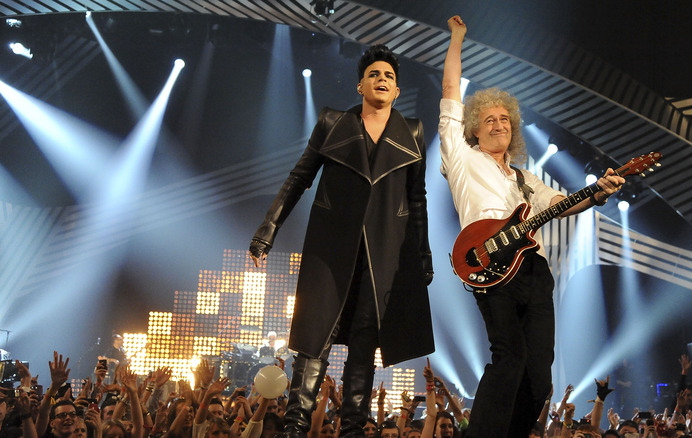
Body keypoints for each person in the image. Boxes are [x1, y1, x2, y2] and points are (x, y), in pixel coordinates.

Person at [440, 15, 625, 437]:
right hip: (490, 262)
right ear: (472, 129)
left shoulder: (526, 178)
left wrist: (598, 192)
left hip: (534, 270)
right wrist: (457, 38)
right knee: (508, 359)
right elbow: (451, 92)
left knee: (540, 378)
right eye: (488, 119)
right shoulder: (462, 158)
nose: (498, 124)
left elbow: (560, 205)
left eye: (505, 119)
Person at [249, 43, 435, 437]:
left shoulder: (413, 132)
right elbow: (299, 178)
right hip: (329, 249)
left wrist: (423, 254)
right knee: (314, 338)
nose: (382, 79)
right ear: (360, 85)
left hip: (383, 252)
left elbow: (416, 199)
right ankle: (295, 427)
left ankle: (353, 428)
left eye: (389, 76)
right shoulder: (333, 123)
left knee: (366, 343)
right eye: (374, 74)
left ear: (397, 91)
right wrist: (267, 232)